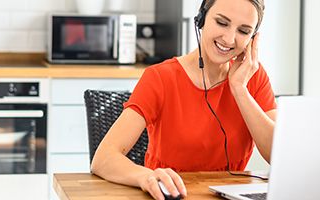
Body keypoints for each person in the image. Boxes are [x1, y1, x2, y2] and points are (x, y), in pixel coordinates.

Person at [90, 0, 275, 199]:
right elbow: (103, 159)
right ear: (201, 19)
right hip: (171, 196)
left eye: (244, 31)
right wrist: (146, 176)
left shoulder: (253, 77)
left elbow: (280, 156)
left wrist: (240, 90)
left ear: (253, 38)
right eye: (222, 23)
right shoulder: (160, 78)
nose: (230, 39)